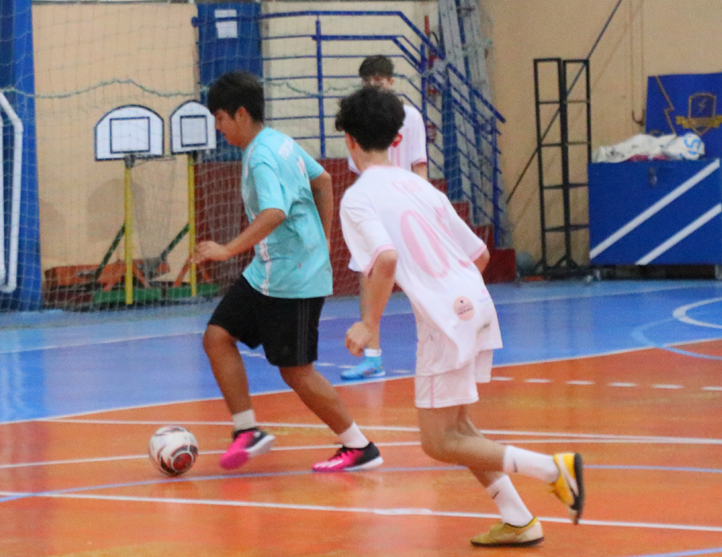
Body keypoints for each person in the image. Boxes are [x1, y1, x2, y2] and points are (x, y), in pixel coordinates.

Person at [335, 86, 584, 547]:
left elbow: (385, 259)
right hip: (477, 304)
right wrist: (456, 297)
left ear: (349, 139)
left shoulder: (357, 198)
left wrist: (370, 325)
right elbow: (480, 254)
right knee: (460, 429)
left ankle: (552, 469)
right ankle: (519, 519)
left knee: (438, 441)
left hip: (445, 321)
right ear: (396, 138)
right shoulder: (421, 187)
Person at [192, 71, 382, 473]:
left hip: (292, 278)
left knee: (296, 372)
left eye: (220, 119)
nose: (219, 129)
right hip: (269, 271)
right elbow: (323, 180)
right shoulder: (280, 141)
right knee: (217, 337)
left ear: (240, 114)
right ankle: (247, 430)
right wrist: (322, 239)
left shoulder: (262, 155)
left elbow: (275, 212)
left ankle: (359, 445)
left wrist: (227, 249)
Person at [341, 54, 430, 381]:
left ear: (391, 82)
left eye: (378, 81)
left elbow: (420, 165)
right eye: (367, 82)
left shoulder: (411, 117)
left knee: (422, 283)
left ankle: (434, 348)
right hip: (374, 207)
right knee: (368, 278)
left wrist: (423, 206)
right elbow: (359, 170)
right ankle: (373, 358)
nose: (373, 86)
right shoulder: (357, 120)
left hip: (406, 209)